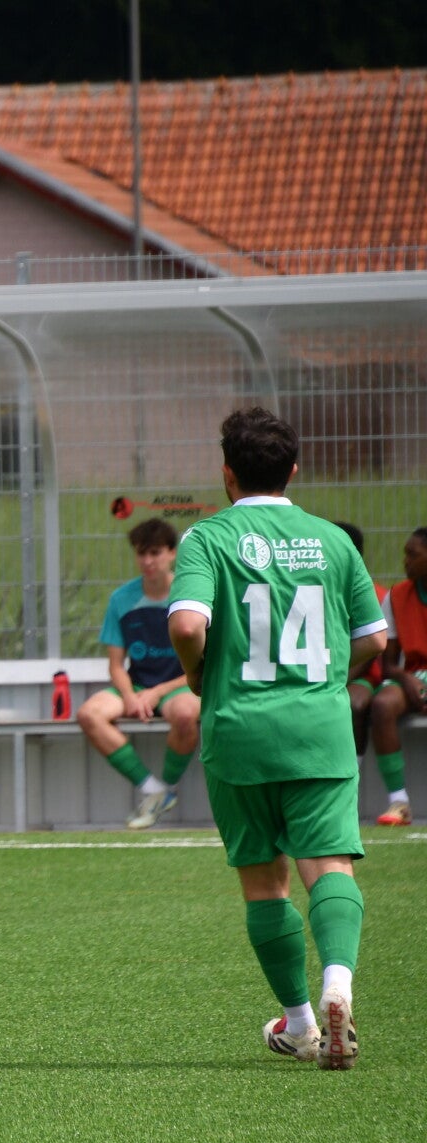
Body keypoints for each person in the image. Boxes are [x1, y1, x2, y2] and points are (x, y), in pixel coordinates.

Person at [167, 407, 386, 1069]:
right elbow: (375, 639)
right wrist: (331, 677)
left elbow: (186, 625)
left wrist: (198, 674)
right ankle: (338, 985)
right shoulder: (333, 540)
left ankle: (299, 1024)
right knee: (330, 867)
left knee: (265, 881)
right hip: (319, 729)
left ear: (226, 473)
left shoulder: (207, 538)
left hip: (239, 730)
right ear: (293, 469)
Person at [75, 518, 202, 828]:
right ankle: (154, 790)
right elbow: (115, 665)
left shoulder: (190, 595)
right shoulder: (121, 599)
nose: (147, 561)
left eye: (155, 553)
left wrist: (156, 693)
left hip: (180, 685)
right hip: (137, 685)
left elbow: (203, 661)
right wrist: (130, 696)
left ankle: (167, 786)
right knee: (89, 714)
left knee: (186, 714)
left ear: (172, 553)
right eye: (141, 553)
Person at [366, 526, 427, 826]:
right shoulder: (397, 596)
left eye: (413, 555)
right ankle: (399, 802)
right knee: (382, 704)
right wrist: (407, 679)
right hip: (414, 676)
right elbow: (388, 664)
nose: (405, 561)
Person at [332, 521, 386, 761]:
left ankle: (354, 768)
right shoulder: (320, 587)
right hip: (327, 672)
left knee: (352, 704)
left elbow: (372, 647)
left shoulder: (374, 594)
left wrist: (338, 678)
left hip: (362, 675)